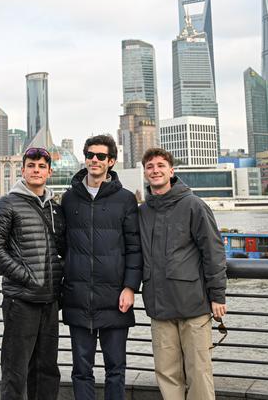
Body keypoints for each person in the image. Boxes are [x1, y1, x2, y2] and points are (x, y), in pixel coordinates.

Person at [138, 147, 227, 400]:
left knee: (199, 371)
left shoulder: (194, 205)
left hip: (193, 304)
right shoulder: (143, 212)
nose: (155, 170)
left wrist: (218, 295)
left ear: (171, 171)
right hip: (159, 305)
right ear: (145, 173)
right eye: (150, 167)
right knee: (166, 372)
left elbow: (213, 252)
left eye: (160, 166)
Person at [61, 134, 142, 400]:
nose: (94, 160)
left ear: (111, 161)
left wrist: (130, 287)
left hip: (116, 297)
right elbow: (61, 246)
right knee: (81, 370)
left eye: (101, 156)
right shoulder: (69, 199)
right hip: (78, 296)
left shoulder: (126, 200)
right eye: (90, 155)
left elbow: (134, 248)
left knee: (115, 369)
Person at [0, 147, 66, 400]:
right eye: (31, 165)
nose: (36, 170)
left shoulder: (54, 208)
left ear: (49, 172)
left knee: (47, 370)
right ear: (23, 170)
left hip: (50, 301)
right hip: (20, 301)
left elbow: (63, 248)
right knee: (15, 370)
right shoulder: (7, 203)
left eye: (42, 166)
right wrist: (26, 276)